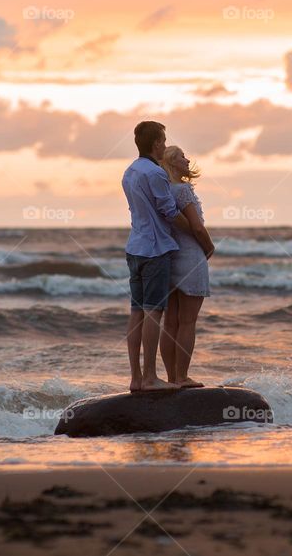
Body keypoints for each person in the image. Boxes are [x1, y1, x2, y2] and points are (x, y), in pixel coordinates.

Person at [122, 120, 190, 392]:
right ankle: (150, 377)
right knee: (153, 312)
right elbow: (169, 212)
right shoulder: (155, 173)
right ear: (155, 143)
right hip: (155, 248)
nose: (165, 144)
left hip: (134, 247)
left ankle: (136, 378)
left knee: (136, 312)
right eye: (163, 140)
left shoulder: (129, 172)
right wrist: (197, 233)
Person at [159, 145, 215, 389]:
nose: (187, 159)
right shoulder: (183, 190)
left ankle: (171, 377)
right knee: (188, 321)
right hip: (190, 256)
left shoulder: (163, 191)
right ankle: (182, 376)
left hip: (169, 257)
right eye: (181, 156)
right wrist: (209, 246)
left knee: (170, 322)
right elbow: (197, 227)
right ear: (172, 163)